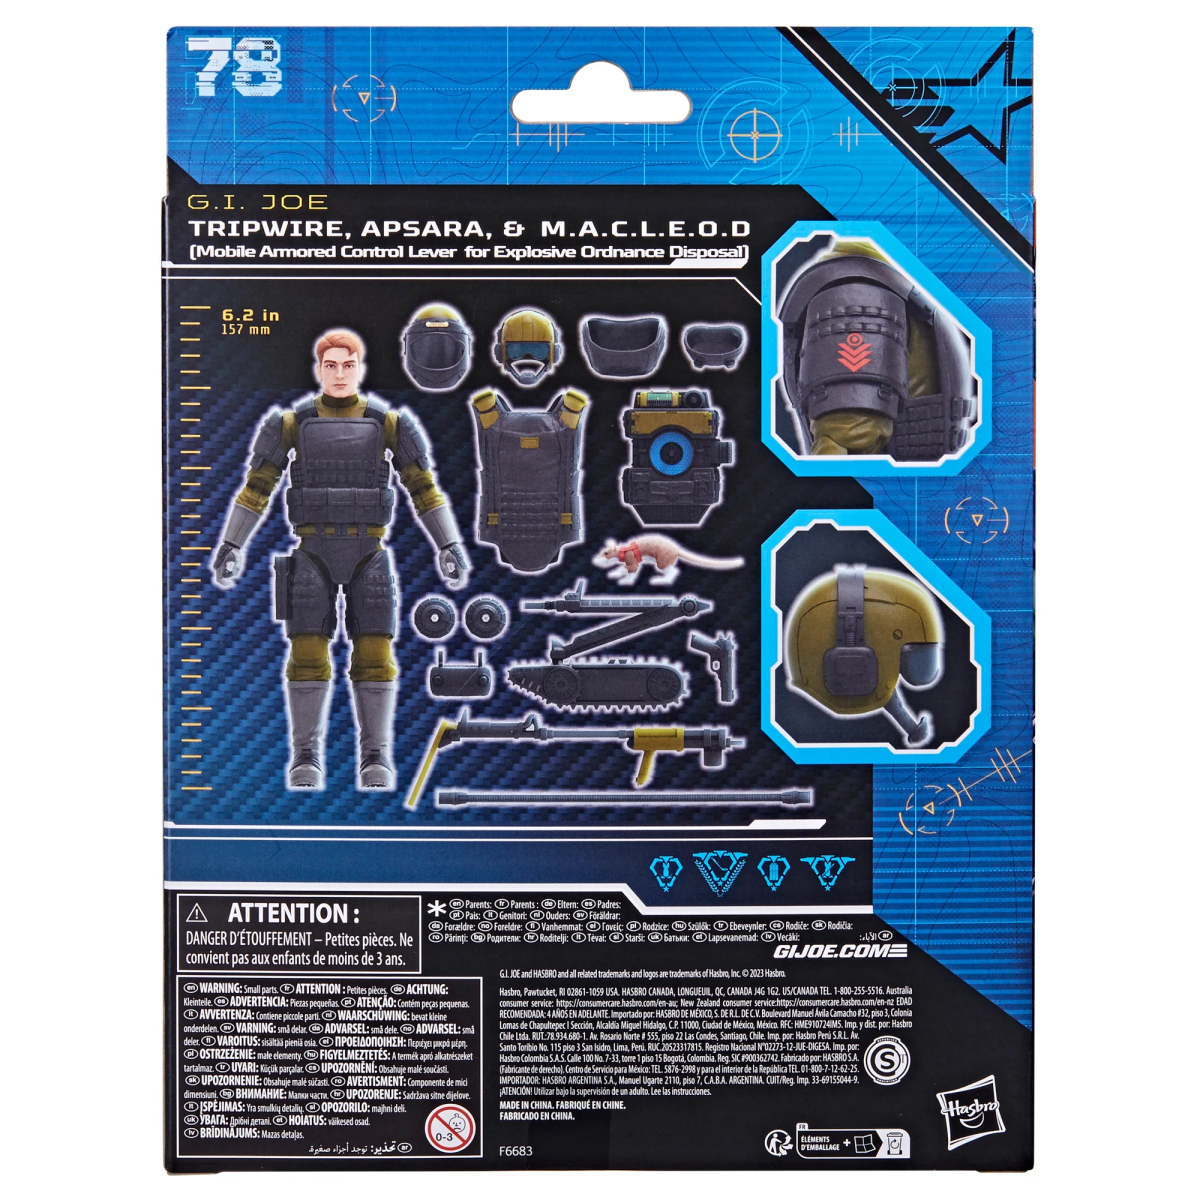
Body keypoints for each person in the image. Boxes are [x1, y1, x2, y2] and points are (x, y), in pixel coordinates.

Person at [210, 328, 470, 790]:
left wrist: (447, 545)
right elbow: (257, 488)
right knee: (307, 653)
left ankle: (376, 756)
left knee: (375, 653)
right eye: (331, 365)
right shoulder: (290, 424)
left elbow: (423, 488)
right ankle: (305, 756)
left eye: (348, 365)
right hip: (312, 554)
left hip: (369, 553)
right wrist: (232, 544)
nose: (339, 374)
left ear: (360, 368)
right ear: (319, 369)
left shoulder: (390, 424)